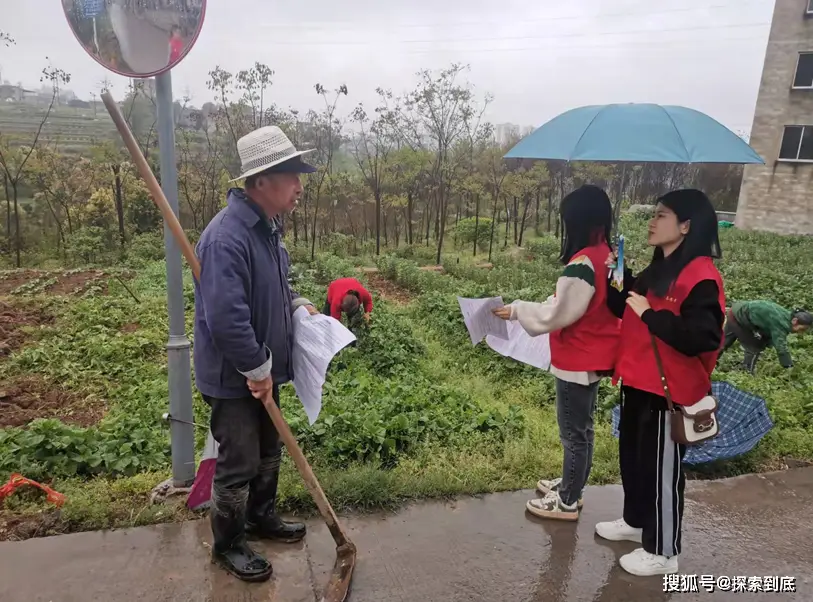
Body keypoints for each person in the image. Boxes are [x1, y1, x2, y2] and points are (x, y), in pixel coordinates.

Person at [193, 125, 320, 582]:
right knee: (239, 460)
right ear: (261, 181)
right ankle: (228, 544)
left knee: (270, 448)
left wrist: (297, 304)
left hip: (263, 370)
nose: (300, 186)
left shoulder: (267, 229)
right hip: (235, 377)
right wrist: (257, 368)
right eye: (292, 175)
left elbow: (270, 289)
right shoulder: (226, 238)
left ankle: (261, 515)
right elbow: (227, 319)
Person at [595, 189, 725, 577]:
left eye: (662, 215)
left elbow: (703, 337)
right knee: (633, 462)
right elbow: (622, 306)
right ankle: (636, 522)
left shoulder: (701, 277)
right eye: (654, 214)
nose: (652, 222)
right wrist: (615, 275)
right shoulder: (657, 270)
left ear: (686, 225)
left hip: (668, 392)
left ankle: (664, 550)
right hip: (637, 381)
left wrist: (652, 314)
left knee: (661, 470)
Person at [492, 185, 621, 521]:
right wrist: (520, 309)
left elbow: (558, 314)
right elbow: (575, 305)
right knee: (584, 429)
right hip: (594, 354)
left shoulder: (583, 264)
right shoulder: (607, 255)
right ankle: (572, 485)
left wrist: (519, 309)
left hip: (576, 359)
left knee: (573, 434)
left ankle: (566, 500)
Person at [720, 300, 811, 373]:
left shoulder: (786, 315)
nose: (800, 332)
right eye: (801, 329)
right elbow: (781, 348)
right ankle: (747, 371)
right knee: (755, 347)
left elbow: (769, 331)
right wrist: (789, 367)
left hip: (736, 310)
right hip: (740, 318)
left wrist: (768, 342)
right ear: (795, 321)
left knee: (723, 342)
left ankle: (709, 361)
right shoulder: (781, 325)